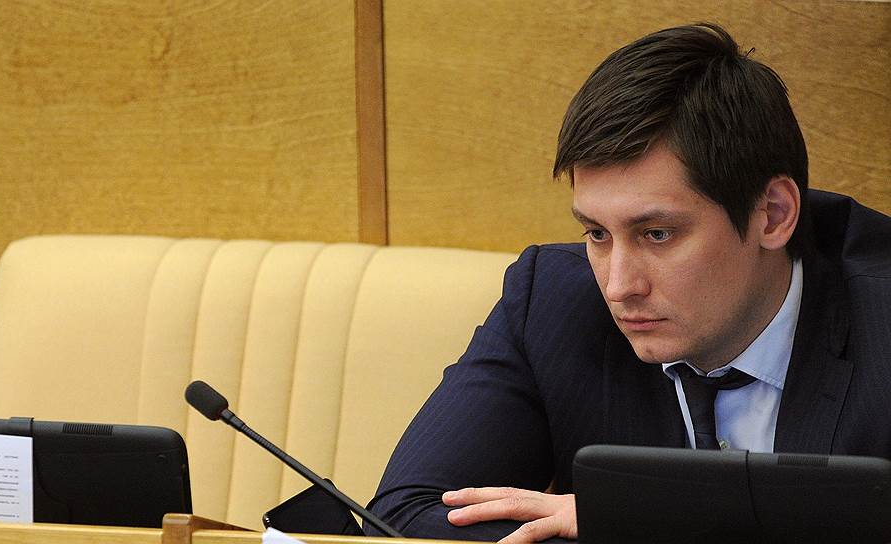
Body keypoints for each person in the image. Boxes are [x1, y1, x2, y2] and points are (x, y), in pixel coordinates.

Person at [366, 22, 891, 542]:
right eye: (597, 233)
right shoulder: (551, 302)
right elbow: (403, 520)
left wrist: (640, 520)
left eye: (657, 234)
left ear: (772, 215)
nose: (618, 287)